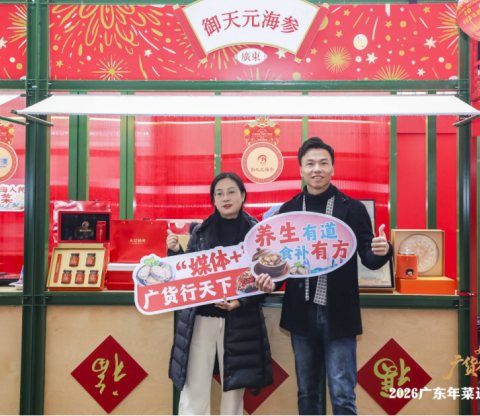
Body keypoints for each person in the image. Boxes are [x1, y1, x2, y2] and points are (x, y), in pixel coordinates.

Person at [255, 137, 392, 415]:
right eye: (310, 163)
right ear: (301, 169)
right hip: (300, 313)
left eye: (323, 163)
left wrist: (383, 250)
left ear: (332, 168)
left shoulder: (352, 208)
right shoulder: (288, 211)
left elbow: (369, 258)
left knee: (343, 394)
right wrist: (269, 282)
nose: (316, 169)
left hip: (339, 313)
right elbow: (282, 265)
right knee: (307, 392)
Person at [167, 172, 273, 415]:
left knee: (233, 392)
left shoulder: (258, 232)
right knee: (194, 388)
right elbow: (187, 272)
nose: (225, 198)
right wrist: (175, 252)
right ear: (213, 199)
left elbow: (266, 278)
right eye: (219, 193)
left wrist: (240, 301)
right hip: (201, 318)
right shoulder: (201, 231)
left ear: (243, 195)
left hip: (240, 320)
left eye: (231, 192)